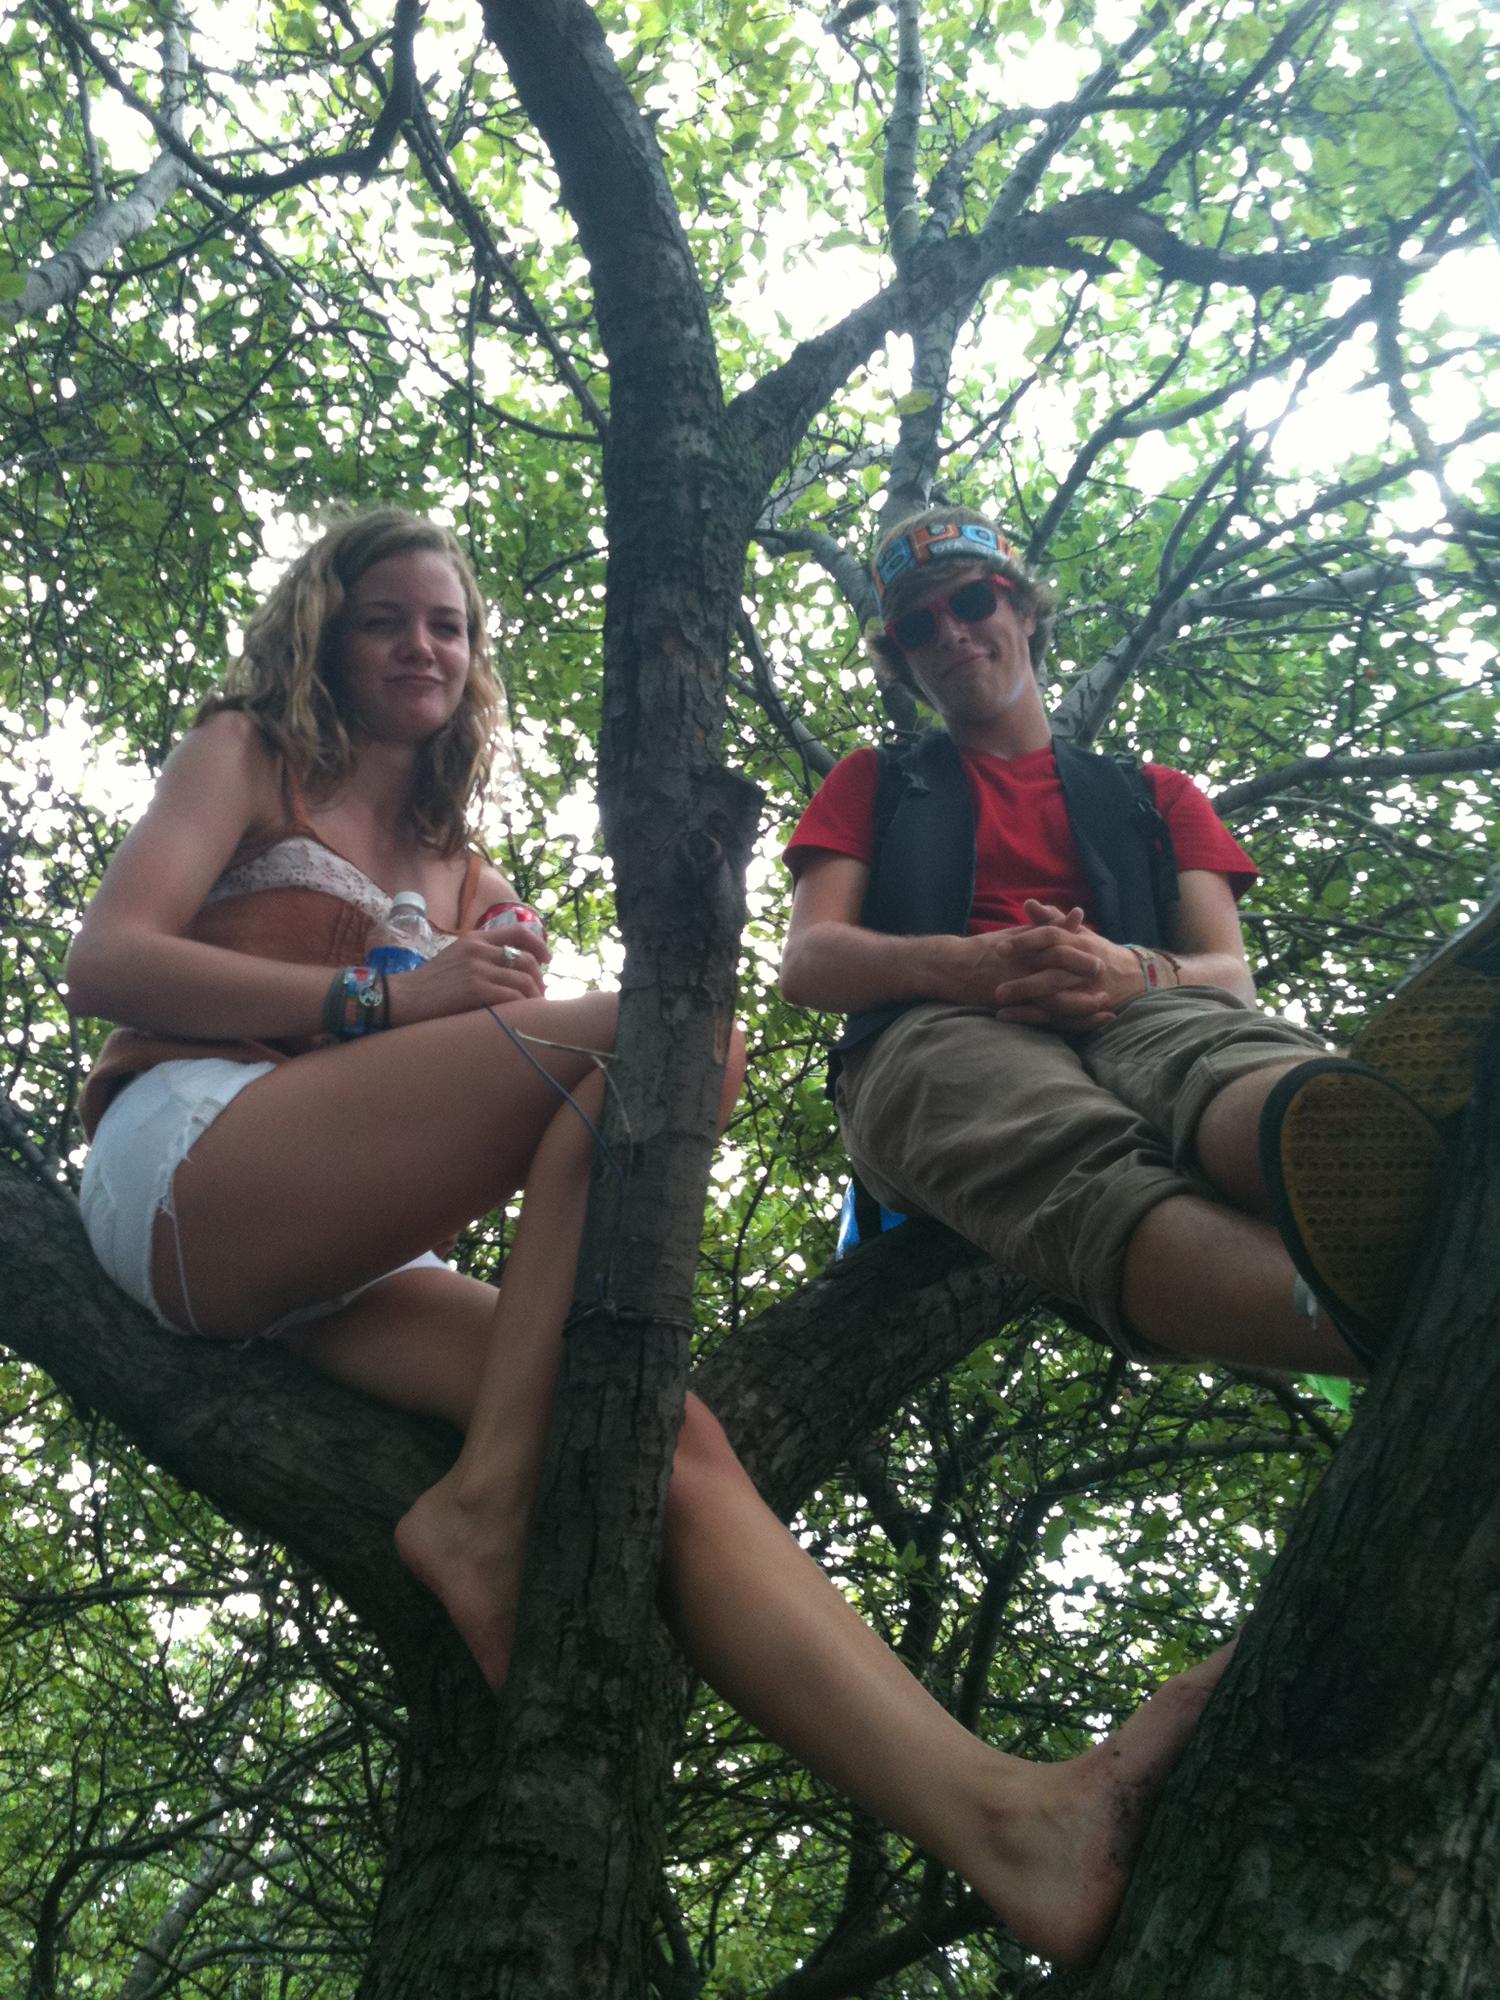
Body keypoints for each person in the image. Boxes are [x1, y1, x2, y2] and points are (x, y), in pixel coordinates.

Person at [66, 507, 1232, 1971]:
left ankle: (1016, 1827)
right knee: (671, 1039)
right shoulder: (249, 752)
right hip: (182, 1153)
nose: (424, 645)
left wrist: (475, 995)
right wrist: (393, 1006)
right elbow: (101, 962)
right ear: (326, 630)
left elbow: (490, 1128)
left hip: (322, 1266)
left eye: (451, 624)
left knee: (668, 1438)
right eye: (388, 618)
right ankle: (486, 1506)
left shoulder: (465, 873)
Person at [782, 503, 1493, 1376]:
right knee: (1056, 1149)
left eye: (972, 604)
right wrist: (969, 964)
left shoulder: (1155, 794)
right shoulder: (876, 779)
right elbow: (809, 960)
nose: (952, 636)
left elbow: (1229, 976)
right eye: (920, 625)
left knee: (1218, 1049)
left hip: (1137, 1009)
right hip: (924, 1033)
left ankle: (1394, 1149)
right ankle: (1379, 1338)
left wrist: (1130, 971)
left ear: (1024, 610)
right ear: (903, 655)